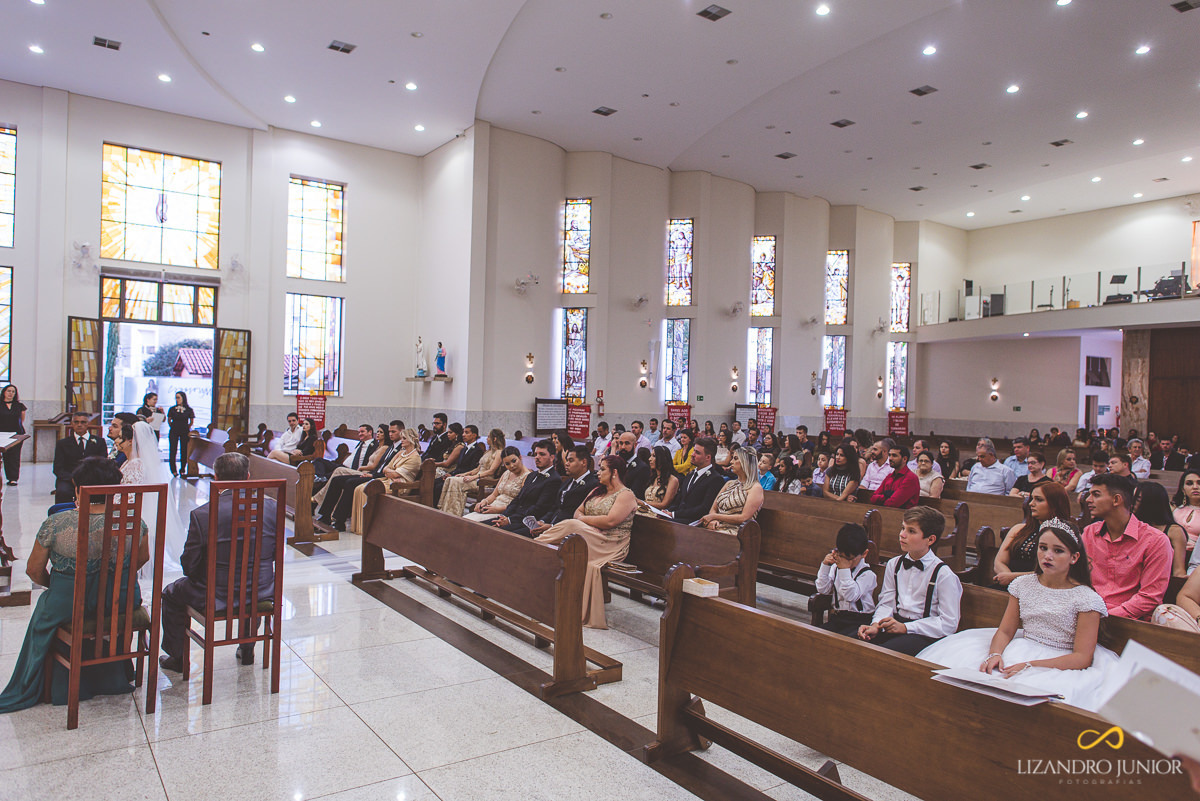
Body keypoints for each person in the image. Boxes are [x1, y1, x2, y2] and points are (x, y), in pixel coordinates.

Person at [917, 518, 1118, 712]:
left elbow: (1082, 657)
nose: (1047, 556)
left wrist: (1031, 665)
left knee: (1031, 689)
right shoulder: (1023, 584)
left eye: (1058, 551)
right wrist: (995, 654)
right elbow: (1005, 631)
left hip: (1061, 661)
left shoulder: (1086, 599)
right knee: (975, 674)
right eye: (1043, 548)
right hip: (1022, 646)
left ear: (1074, 557)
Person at [0, 458, 147, 712]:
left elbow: (33, 570)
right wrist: (113, 577)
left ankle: (48, 682)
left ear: (78, 489)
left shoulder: (57, 523)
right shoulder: (134, 522)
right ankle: (112, 674)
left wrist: (55, 585)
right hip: (120, 599)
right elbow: (141, 559)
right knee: (103, 606)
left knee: (47, 607)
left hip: (70, 601)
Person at [158, 453, 278, 672]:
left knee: (170, 593)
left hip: (218, 593)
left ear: (216, 477)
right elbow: (275, 552)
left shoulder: (202, 514)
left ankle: (177, 657)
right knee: (249, 588)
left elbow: (189, 565)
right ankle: (247, 647)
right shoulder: (271, 508)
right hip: (262, 589)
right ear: (248, 476)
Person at [535, 454, 637, 628]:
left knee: (572, 525)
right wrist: (586, 523)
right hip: (589, 535)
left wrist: (583, 521)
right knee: (561, 545)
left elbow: (610, 521)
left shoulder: (626, 495)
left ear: (614, 472)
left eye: (602, 469)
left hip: (609, 542)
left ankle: (535, 544)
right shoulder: (597, 491)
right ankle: (546, 595)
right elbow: (577, 511)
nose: (598, 473)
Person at [858, 507, 961, 655]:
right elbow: (886, 603)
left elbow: (948, 623)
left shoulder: (943, 575)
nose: (902, 534)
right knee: (856, 643)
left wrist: (907, 628)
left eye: (911, 531)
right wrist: (876, 624)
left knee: (882, 654)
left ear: (930, 539)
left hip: (924, 633)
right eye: (903, 528)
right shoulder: (894, 564)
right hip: (895, 623)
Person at [1082, 473, 1171, 620]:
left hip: (1130, 622)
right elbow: (1076, 578)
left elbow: (1149, 597)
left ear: (1116, 500)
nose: (1088, 500)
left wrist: (1105, 617)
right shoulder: (1089, 533)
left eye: (1096, 495)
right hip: (1088, 613)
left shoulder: (1156, 541)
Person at [316, 421, 404, 530]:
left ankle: (339, 521)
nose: (390, 434)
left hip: (380, 477)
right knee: (337, 480)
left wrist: (372, 475)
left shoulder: (399, 448)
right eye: (389, 431)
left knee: (350, 483)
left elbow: (389, 469)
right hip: (374, 474)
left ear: (401, 432)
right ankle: (325, 516)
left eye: (393, 432)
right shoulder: (392, 446)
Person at [993, 481, 1073, 586]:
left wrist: (1013, 578)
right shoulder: (1019, 529)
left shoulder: (1065, 535)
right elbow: (999, 562)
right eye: (1032, 499)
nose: (1031, 503)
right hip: (1008, 585)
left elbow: (1054, 572)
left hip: (1041, 588)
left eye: (1039, 499)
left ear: (1054, 504)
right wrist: (1010, 580)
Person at [349, 428, 421, 534]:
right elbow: (385, 469)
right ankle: (359, 526)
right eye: (401, 438)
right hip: (389, 480)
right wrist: (390, 472)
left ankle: (367, 527)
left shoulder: (415, 458)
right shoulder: (400, 453)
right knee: (359, 488)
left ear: (411, 440)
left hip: (400, 486)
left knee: (366, 490)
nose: (401, 440)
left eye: (404, 438)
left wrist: (390, 472)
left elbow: (395, 474)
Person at [816, 523, 878, 637]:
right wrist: (825, 566)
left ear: (864, 554)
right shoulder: (836, 568)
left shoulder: (868, 575)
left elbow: (851, 596)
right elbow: (823, 589)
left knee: (845, 640)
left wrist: (844, 570)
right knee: (817, 635)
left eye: (849, 559)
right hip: (839, 617)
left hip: (860, 621)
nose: (844, 561)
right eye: (841, 555)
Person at [526, 446, 601, 535]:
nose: (566, 464)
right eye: (567, 460)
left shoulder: (592, 485)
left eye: (571, 460)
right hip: (551, 525)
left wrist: (552, 526)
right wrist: (542, 521)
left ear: (583, 462)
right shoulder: (567, 481)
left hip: (569, 532)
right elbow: (555, 507)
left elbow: (574, 515)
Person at [491, 440, 561, 534]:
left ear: (552, 457)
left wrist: (510, 520)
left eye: (542, 454)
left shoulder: (554, 479)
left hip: (528, 522)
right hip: (515, 517)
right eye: (535, 454)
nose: (537, 457)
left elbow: (539, 508)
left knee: (494, 533)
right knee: (482, 526)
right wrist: (504, 516)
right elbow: (518, 499)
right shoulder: (531, 475)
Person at [439, 428, 506, 517]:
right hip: (477, 477)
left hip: (484, 481)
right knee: (450, 479)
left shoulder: (499, 453)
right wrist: (464, 474)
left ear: (494, 439)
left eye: (488, 437)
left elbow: (491, 471)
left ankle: (454, 513)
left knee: (456, 482)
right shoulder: (488, 452)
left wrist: (474, 477)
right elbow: (477, 469)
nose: (486, 439)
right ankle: (445, 510)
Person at [1132, 481, 1190, 577]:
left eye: (1137, 499)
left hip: (1160, 578)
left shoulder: (1174, 531)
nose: (1131, 503)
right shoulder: (1131, 526)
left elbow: (1178, 570)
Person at [670, 437, 727, 525]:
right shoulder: (690, 474)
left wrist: (674, 514)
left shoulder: (715, 479)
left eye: (697, 453)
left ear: (708, 457)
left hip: (694, 523)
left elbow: (704, 508)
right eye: (693, 451)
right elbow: (679, 499)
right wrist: (667, 511)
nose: (692, 455)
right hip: (678, 518)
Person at [52, 412, 108, 502]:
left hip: (92, 479)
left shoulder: (99, 442)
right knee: (63, 492)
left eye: (83, 422)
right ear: (72, 423)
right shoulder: (62, 443)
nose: (79, 425)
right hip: (69, 479)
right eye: (76, 422)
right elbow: (58, 468)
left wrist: (90, 478)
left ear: (88, 423)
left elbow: (102, 464)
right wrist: (73, 479)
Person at [465, 447, 528, 522]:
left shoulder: (527, 476)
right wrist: (484, 502)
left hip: (507, 512)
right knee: (465, 520)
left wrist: (497, 509)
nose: (511, 466)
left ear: (520, 457)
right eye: (507, 464)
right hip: (493, 506)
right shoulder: (507, 473)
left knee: (473, 523)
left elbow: (521, 505)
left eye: (514, 461)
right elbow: (494, 495)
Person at [869, 444, 920, 508]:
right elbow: (872, 498)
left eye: (894, 455)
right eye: (889, 455)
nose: (890, 458)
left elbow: (893, 503)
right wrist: (885, 496)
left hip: (903, 513)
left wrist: (883, 498)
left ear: (904, 459)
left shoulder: (911, 478)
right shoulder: (889, 476)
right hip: (885, 511)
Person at [638, 445, 680, 514]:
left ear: (662, 458)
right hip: (644, 511)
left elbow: (664, 505)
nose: (650, 459)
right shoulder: (652, 477)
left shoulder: (673, 480)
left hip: (659, 515)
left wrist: (643, 503)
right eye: (650, 456)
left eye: (654, 456)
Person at [0, 383, 27, 484]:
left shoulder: (19, 406)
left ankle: (13, 478)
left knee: (14, 457)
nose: (11, 393)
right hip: (2, 433)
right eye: (9, 391)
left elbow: (22, 420)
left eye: (13, 392)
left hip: (16, 434)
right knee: (4, 457)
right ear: (4, 392)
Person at [166, 391, 194, 477]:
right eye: (176, 398)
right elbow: (169, 420)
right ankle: (173, 470)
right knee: (173, 449)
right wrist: (173, 426)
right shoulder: (172, 409)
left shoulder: (189, 409)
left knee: (184, 450)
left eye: (178, 397)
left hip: (184, 430)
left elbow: (191, 421)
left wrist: (187, 427)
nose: (177, 399)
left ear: (183, 398)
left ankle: (182, 469)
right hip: (174, 430)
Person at [1173, 470, 1200, 553]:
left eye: (1199, 483)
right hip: (1172, 551)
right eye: (1189, 483)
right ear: (1183, 489)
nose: (1195, 487)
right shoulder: (1176, 509)